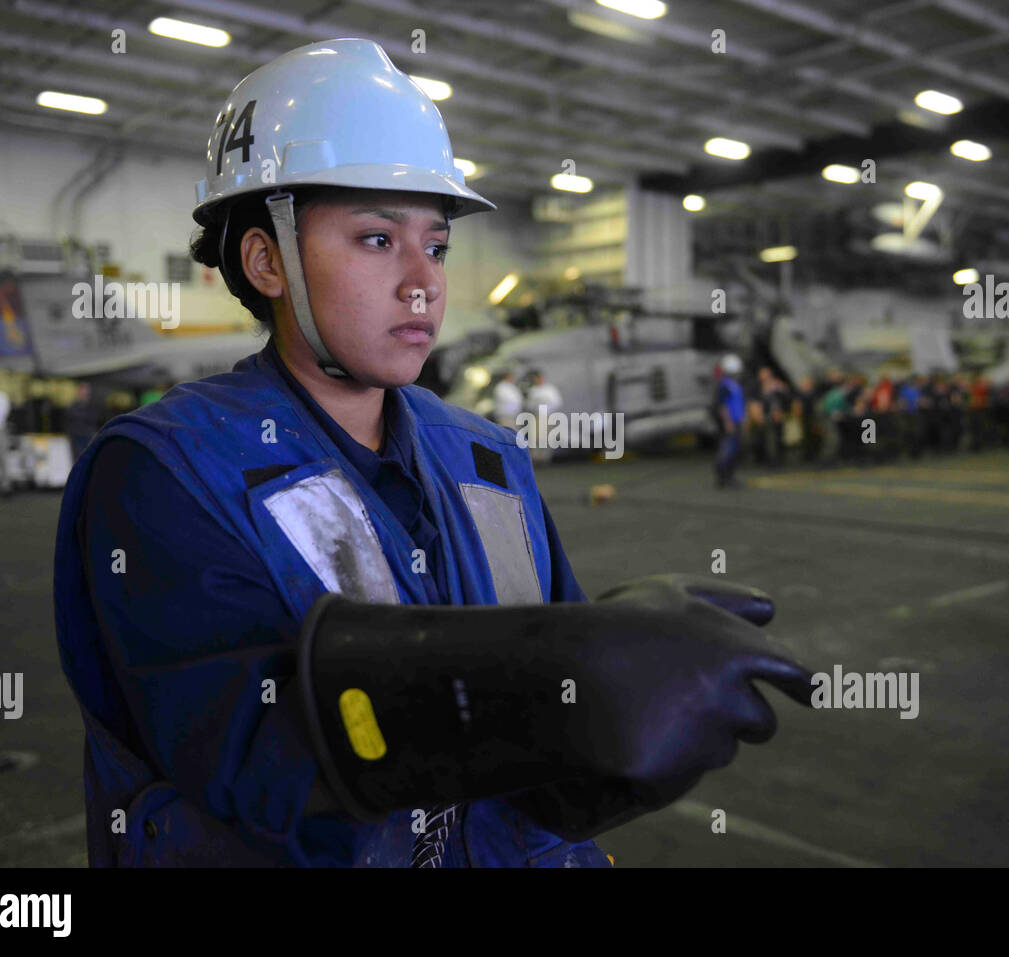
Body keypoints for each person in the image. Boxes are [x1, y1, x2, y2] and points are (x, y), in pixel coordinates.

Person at [52, 38, 813, 869]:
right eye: (378, 240)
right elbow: (260, 755)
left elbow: (544, 767)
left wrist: (623, 734)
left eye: (438, 244)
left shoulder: (485, 457)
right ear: (264, 258)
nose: (424, 281)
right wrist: (564, 669)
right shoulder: (163, 473)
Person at [713, 354, 746, 487]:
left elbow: (739, 403)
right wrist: (728, 422)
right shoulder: (724, 385)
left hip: (736, 421)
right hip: (730, 423)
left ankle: (730, 477)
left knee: (734, 450)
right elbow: (722, 406)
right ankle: (723, 478)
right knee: (727, 450)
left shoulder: (734, 385)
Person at [524, 369, 562, 463]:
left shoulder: (550, 389)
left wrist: (548, 408)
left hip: (547, 416)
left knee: (546, 438)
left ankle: (545, 458)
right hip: (536, 416)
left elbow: (557, 402)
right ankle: (536, 457)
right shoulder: (533, 390)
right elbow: (529, 405)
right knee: (535, 438)